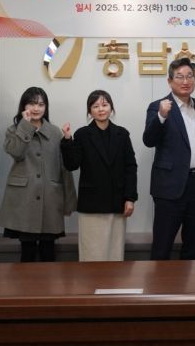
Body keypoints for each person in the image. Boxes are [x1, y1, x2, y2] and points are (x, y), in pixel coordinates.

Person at [143, 57, 195, 260]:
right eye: (180, 77)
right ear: (169, 81)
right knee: (162, 245)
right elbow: (148, 140)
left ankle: (191, 281)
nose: (186, 81)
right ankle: (158, 280)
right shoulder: (157, 107)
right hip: (169, 186)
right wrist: (161, 116)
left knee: (194, 244)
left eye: (189, 76)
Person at [62, 90, 138, 261]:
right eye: (95, 106)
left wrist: (130, 198)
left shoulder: (122, 134)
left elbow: (130, 167)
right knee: (92, 254)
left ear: (111, 108)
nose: (101, 109)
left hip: (116, 201)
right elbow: (72, 165)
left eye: (104, 105)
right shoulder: (82, 134)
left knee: (114, 253)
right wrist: (67, 140)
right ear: (90, 111)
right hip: (92, 204)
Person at [0, 87, 70, 262]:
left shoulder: (55, 132)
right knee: (27, 251)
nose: (36, 108)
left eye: (41, 104)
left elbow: (63, 168)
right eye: (32, 103)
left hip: (50, 199)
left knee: (48, 250)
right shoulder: (14, 130)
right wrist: (25, 125)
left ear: (46, 107)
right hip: (24, 199)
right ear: (24, 106)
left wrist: (68, 201)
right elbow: (16, 152)